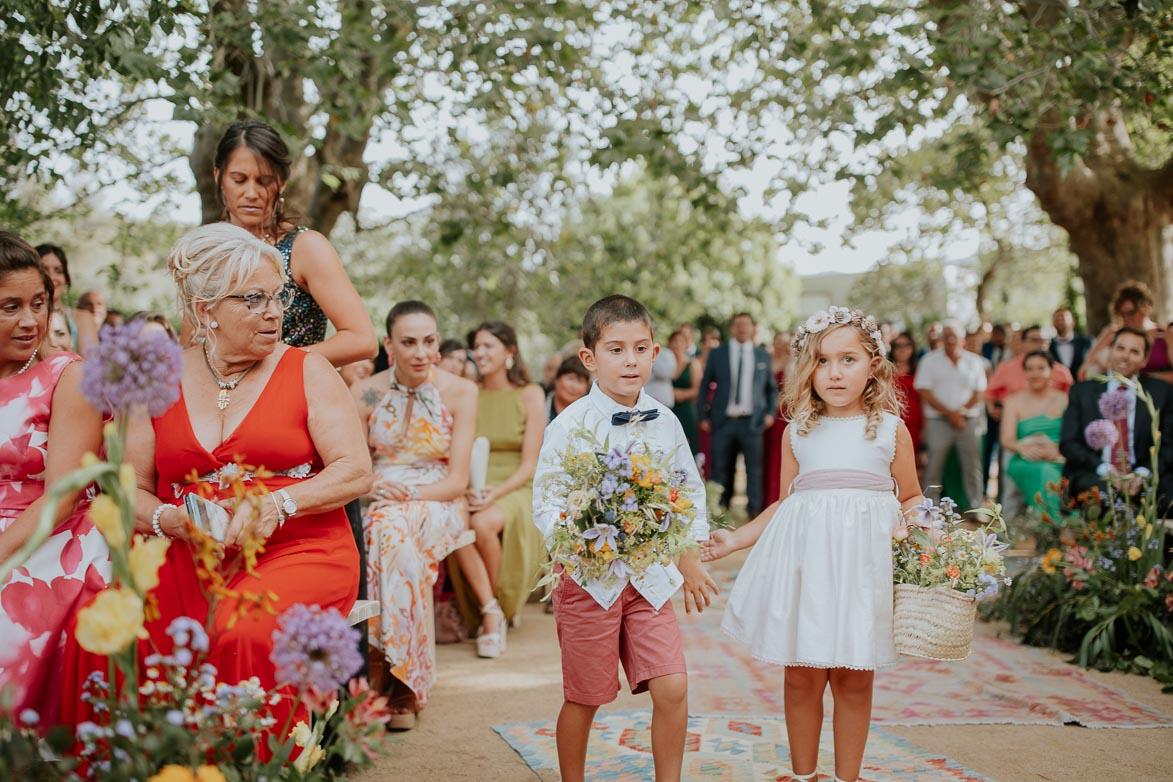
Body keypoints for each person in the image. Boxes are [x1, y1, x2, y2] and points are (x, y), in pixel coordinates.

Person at [63, 223, 372, 741]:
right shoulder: (159, 379)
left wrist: (279, 504)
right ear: (206, 310)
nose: (274, 312)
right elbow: (130, 489)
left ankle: (249, 768)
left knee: (240, 630)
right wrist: (170, 519)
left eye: (275, 296)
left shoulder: (308, 369)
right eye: (253, 299)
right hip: (189, 551)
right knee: (105, 631)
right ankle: (152, 768)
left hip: (298, 548)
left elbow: (355, 470)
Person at [702, 306, 921, 782]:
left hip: (862, 570)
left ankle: (848, 777)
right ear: (807, 369)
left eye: (848, 360)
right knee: (801, 673)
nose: (835, 372)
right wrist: (735, 538)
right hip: (808, 568)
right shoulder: (799, 431)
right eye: (822, 361)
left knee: (853, 674)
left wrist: (930, 531)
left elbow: (911, 496)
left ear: (873, 366)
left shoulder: (889, 429)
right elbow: (785, 502)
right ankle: (803, 776)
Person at [533, 295, 717, 782]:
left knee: (673, 685)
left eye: (640, 348)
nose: (630, 360)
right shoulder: (568, 426)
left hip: (651, 578)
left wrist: (690, 556)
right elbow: (547, 501)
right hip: (590, 579)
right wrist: (580, 545)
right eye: (616, 349)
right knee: (586, 697)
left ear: (656, 354)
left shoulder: (668, 421)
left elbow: (687, 492)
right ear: (590, 358)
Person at [351, 301, 478, 729]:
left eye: (429, 341)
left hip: (439, 498)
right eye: (409, 342)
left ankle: (384, 668)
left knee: (389, 530)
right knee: (389, 531)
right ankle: (403, 674)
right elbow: (351, 464)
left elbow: (458, 480)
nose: (422, 352)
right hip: (381, 498)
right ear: (388, 345)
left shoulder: (461, 391)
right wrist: (372, 488)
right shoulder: (366, 392)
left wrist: (408, 495)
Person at [0, 232, 109, 727]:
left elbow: (63, 498)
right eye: (10, 307)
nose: (30, 321)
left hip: (48, 538)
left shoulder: (67, 376)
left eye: (38, 304)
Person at [202, 120, 376, 366]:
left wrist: (275, 363)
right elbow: (190, 343)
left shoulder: (305, 247)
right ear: (218, 177)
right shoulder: (206, 253)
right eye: (239, 180)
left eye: (263, 181)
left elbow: (362, 340)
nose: (251, 192)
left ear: (282, 182)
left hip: (291, 394)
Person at [447, 321, 545, 650]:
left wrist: (495, 493)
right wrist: (466, 486)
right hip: (471, 480)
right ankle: (491, 608)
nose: (480, 352)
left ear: (510, 352)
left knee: (482, 522)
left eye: (489, 345)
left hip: (515, 485)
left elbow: (530, 463)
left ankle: (494, 608)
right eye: (477, 346)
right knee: (456, 519)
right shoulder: (467, 392)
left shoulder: (530, 394)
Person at [1060, 326, 1173, 512]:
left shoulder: (1161, 393)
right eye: (1120, 348)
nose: (1125, 356)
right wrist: (1104, 469)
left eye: (1134, 351)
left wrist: (1143, 474)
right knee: (1100, 495)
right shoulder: (1083, 392)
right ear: (1110, 351)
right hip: (1096, 471)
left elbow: (1169, 445)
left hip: (1143, 472)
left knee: (1166, 498)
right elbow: (1068, 443)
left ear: (1144, 360)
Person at [699, 313, 778, 517]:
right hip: (723, 421)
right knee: (720, 468)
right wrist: (703, 415)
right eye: (738, 325)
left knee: (754, 470)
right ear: (732, 328)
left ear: (753, 329)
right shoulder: (718, 353)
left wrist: (770, 413)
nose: (742, 329)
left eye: (746, 325)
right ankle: (717, 510)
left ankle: (754, 513)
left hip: (752, 423)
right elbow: (705, 384)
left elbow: (771, 388)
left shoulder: (762, 355)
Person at [915, 322, 987, 507]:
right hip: (938, 421)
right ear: (942, 338)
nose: (951, 340)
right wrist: (951, 414)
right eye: (947, 336)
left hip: (968, 421)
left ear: (963, 339)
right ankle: (931, 509)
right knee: (934, 465)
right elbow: (925, 392)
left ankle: (975, 506)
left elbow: (979, 392)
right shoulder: (929, 361)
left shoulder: (975, 361)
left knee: (973, 466)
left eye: (955, 336)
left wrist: (960, 413)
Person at [1001, 351, 1068, 518]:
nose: (1035, 373)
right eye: (1030, 369)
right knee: (1043, 472)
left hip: (1059, 456)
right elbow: (1006, 440)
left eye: (1041, 368)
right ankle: (1050, 525)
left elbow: (1072, 435)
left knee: (1049, 471)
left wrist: (1057, 450)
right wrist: (1022, 448)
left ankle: (1050, 525)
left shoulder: (1065, 399)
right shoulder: (1013, 401)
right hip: (1025, 458)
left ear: (1051, 371)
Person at [1080, 280, 1169, 380]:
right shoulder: (1112, 333)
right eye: (1122, 314)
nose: (1126, 318)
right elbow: (1083, 372)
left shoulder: (1165, 335)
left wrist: (1143, 378)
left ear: (1146, 308)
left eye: (1131, 312)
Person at [35, 244, 99, 353]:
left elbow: (91, 367)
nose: (51, 277)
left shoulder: (82, 318)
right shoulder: (26, 320)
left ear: (66, 279)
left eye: (58, 271)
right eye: (44, 270)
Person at [762, 329, 791, 506]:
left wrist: (773, 406)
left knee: (778, 456)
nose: (782, 345)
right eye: (779, 341)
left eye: (785, 341)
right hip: (765, 413)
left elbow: (789, 392)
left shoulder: (792, 364)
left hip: (781, 413)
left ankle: (777, 498)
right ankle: (764, 499)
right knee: (764, 456)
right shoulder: (767, 361)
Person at [668, 328, 702, 457]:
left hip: (686, 410)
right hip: (668, 408)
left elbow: (698, 389)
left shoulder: (693, 364)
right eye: (674, 341)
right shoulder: (663, 365)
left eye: (680, 341)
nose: (676, 344)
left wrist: (682, 394)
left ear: (686, 344)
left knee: (686, 448)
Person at [889, 331, 923, 453]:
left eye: (906, 345)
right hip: (890, 419)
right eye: (898, 346)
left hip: (914, 422)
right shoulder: (885, 369)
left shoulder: (920, 369)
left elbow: (924, 400)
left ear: (912, 348)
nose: (902, 349)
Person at [546, 355, 590, 423]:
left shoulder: (589, 415)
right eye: (570, 378)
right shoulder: (540, 402)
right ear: (557, 379)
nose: (573, 386)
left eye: (580, 381)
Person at [1050, 307, 1090, 372]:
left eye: (1063, 318)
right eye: (1057, 319)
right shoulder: (1048, 346)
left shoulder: (1086, 342)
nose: (1060, 322)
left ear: (1073, 322)